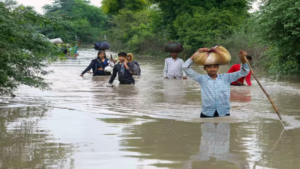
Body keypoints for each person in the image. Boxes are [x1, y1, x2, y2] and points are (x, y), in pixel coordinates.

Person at [182, 48, 250, 118]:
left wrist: (242, 59)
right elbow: (185, 67)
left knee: (224, 128)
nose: (212, 69)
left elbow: (244, 72)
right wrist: (195, 55)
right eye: (209, 67)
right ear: (204, 68)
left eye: (215, 67)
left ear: (218, 67)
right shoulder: (201, 79)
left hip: (224, 112)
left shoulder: (226, 78)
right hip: (207, 113)